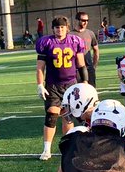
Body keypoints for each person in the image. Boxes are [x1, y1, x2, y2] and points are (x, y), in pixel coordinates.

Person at [35, 15, 87, 161]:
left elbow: (81, 64)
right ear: (53, 29)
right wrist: (40, 84)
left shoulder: (75, 41)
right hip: (53, 85)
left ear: (67, 28)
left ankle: (68, 147)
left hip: (71, 84)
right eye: (57, 27)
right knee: (52, 115)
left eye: (62, 27)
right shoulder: (46, 42)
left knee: (67, 116)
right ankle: (46, 149)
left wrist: (85, 82)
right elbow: (40, 68)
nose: (60, 30)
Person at [70, 11, 100, 87]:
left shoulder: (90, 33)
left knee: (91, 91)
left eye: (87, 20)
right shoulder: (70, 35)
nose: (85, 22)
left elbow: (96, 50)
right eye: (83, 20)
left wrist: (94, 66)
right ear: (77, 20)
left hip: (89, 68)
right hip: (76, 70)